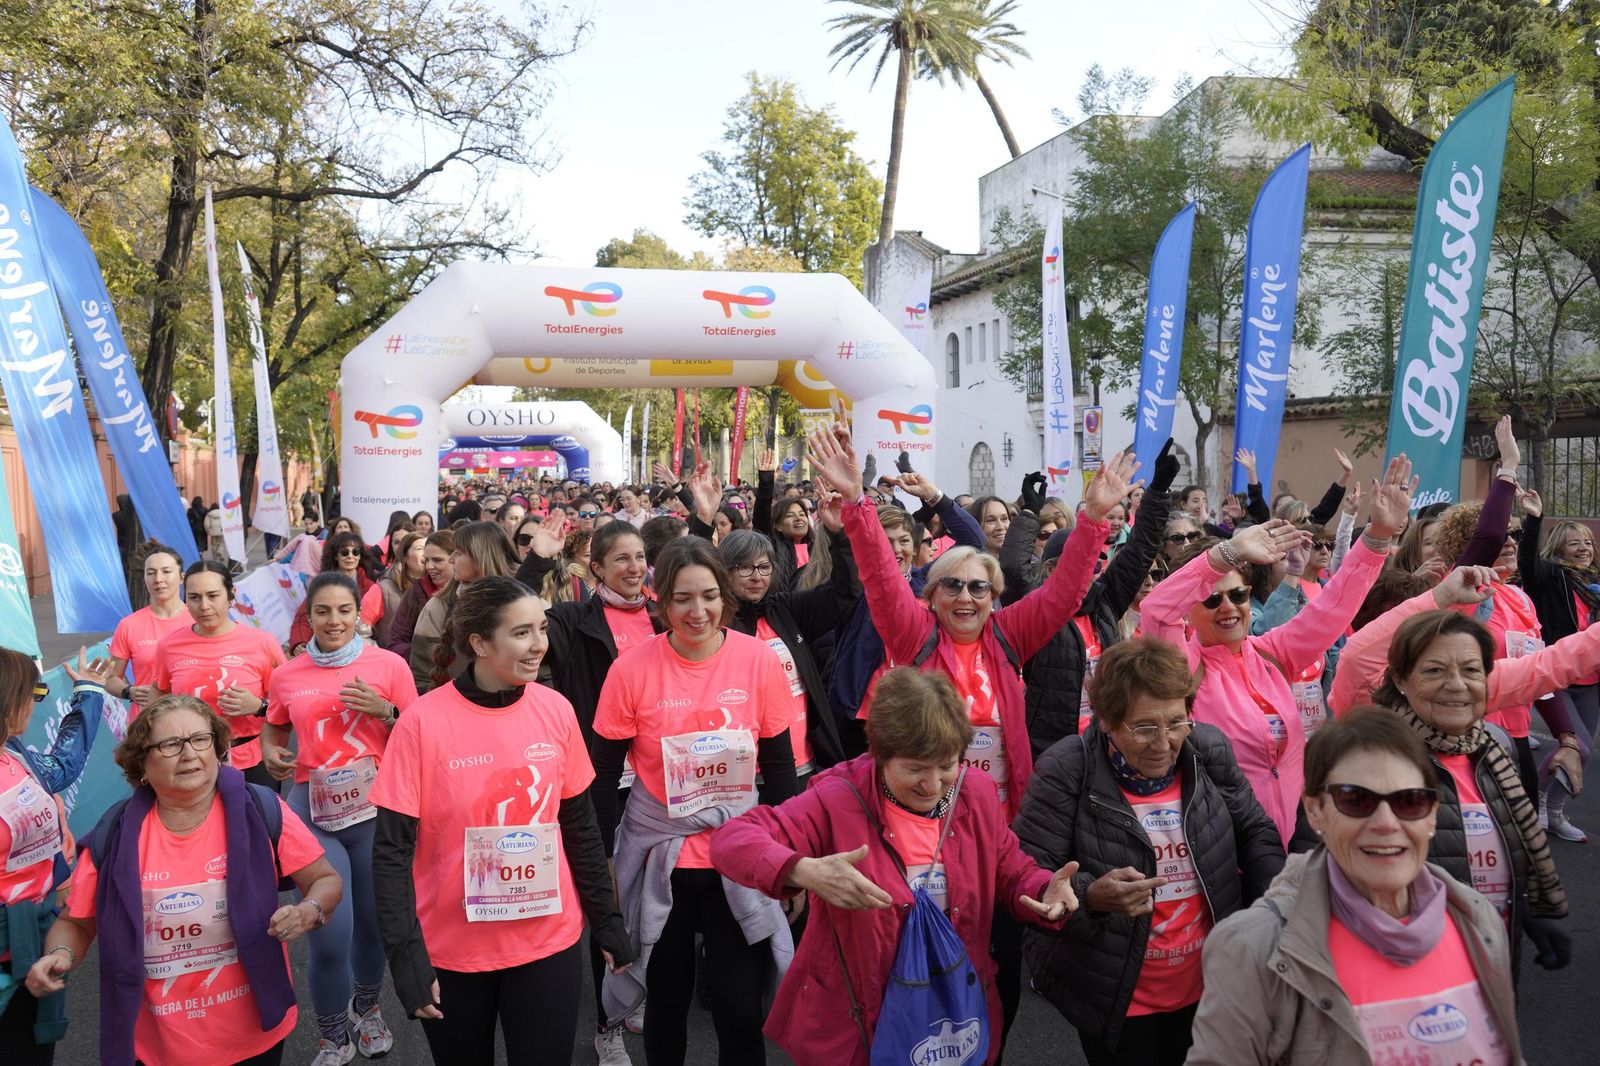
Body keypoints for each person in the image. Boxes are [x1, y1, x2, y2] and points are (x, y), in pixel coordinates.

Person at [809, 421, 1133, 1055]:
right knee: (912, 968)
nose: (966, 596)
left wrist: (1094, 518)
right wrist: (856, 507)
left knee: (996, 972)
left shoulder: (1011, 637)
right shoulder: (912, 637)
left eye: (979, 586)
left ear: (995, 597)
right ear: (929, 598)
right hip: (913, 830)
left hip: (995, 831)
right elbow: (878, 576)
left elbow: (1065, 590)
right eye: (951, 585)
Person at [709, 668, 1082, 1066]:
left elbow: (1010, 868)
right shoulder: (836, 798)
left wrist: (1044, 889)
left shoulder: (974, 792)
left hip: (954, 1008)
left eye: (946, 765)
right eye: (915, 768)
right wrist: (803, 871)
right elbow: (732, 840)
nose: (933, 784)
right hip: (862, 1019)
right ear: (879, 754)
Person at [371, 577, 633, 1065]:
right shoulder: (422, 723)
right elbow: (391, 853)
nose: (539, 645)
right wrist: (406, 956)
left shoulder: (556, 710)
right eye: (522, 633)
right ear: (478, 643)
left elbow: (579, 828)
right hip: (454, 953)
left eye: (541, 629)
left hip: (546, 944)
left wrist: (607, 921)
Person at [1185, 708, 1523, 1064]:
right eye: (1355, 800)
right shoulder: (1252, 947)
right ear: (1315, 811)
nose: (1385, 823)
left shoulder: (1477, 919)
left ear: (1433, 812)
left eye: (1409, 801)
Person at [1012, 638, 1283, 1065]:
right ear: (1106, 721)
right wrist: (1090, 897)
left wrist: (1275, 900)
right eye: (1143, 727)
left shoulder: (1206, 751)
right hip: (1116, 996)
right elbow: (1028, 875)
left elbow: (1255, 830)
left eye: (1176, 723)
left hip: (1208, 988)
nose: (1163, 742)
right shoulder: (1067, 769)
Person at [28, 695, 341, 1066]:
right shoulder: (113, 834)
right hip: (159, 1045)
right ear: (141, 763)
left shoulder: (261, 810)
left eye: (200, 739)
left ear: (217, 748)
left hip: (253, 1035)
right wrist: (59, 956)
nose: (190, 753)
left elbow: (324, 880)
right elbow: (76, 923)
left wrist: (309, 910)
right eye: (171, 744)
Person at [590, 537, 801, 1066]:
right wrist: (604, 868)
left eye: (709, 596)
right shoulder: (631, 669)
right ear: (661, 599)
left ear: (724, 596)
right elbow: (603, 779)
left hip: (739, 855)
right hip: (662, 856)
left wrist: (790, 860)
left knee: (738, 1011)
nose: (697, 611)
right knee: (667, 1004)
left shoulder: (757, 661)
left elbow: (778, 771)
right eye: (683, 598)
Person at [1135, 456, 1413, 847]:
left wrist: (1379, 535)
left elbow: (1334, 605)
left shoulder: (1269, 652)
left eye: (1238, 594)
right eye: (1212, 601)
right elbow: (1155, 609)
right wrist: (1225, 554)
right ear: (1190, 609)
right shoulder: (1181, 665)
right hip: (1225, 852)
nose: (1229, 606)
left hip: (1294, 844)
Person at [516, 517, 659, 1061]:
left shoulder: (661, 616)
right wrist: (537, 560)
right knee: (607, 901)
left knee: (649, 901)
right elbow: (511, 615)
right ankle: (608, 1024)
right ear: (595, 567)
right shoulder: (574, 620)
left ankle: (634, 991)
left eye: (640, 557)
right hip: (594, 781)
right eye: (620, 558)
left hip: (653, 784)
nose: (634, 567)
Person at [261, 573, 419, 1063]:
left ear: (359, 614)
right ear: (308, 616)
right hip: (313, 813)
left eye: (344, 611)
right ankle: (332, 1034)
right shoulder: (287, 674)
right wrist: (272, 754)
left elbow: (418, 739)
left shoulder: (389, 665)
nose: (333, 621)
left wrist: (387, 712)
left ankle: (367, 1010)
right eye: (322, 612)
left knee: (371, 927)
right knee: (330, 932)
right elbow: (274, 727)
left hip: (375, 814)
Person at [999, 439, 1178, 756]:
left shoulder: (1105, 600)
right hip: (1049, 747)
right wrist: (1029, 512)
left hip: (1105, 743)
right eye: (1082, 560)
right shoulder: (1034, 609)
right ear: (1053, 566)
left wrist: (1159, 494)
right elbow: (1012, 567)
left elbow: (1140, 552)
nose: (1091, 569)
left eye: (1097, 562)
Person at [0, 647, 111, 1066]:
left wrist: (88, 692)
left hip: (34, 947)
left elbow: (63, 764)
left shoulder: (15, 752)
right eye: (35, 693)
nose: (36, 702)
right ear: (9, 700)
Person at [153, 560, 287, 787]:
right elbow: (158, 693)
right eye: (194, 597)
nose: (204, 606)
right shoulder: (168, 646)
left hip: (252, 760)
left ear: (231, 595)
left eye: (213, 595)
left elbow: (288, 702)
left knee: (259, 822)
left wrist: (258, 706)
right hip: (191, 761)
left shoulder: (262, 643)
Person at [1517, 490, 1600, 841]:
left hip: (1591, 683)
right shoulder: (1550, 578)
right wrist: (1534, 522)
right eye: (1574, 543)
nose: (1584, 548)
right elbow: (1529, 566)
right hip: (1557, 678)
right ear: (1558, 549)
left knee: (1581, 754)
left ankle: (1554, 811)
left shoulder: (1594, 588)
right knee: (1579, 746)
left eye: (1588, 542)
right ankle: (1531, 797)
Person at [409, 522, 519, 693]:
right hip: (452, 711)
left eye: (458, 552)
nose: (451, 558)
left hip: (515, 711)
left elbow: (543, 671)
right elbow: (422, 672)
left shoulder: (527, 603)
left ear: (479, 557)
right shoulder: (440, 605)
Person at [107, 543, 192, 718]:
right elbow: (111, 679)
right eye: (151, 573)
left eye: (166, 571)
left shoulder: (199, 619)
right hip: (147, 723)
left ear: (182, 577)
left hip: (193, 720)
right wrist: (128, 691)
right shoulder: (129, 625)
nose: (158, 579)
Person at [288, 532, 380, 656]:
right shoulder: (322, 584)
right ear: (336, 556)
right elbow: (304, 615)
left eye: (355, 552)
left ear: (359, 556)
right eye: (344, 552)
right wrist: (300, 642)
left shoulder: (370, 587)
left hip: (361, 649)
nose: (350, 556)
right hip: (327, 647)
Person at [383, 529, 454, 666]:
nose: (429, 567)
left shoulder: (473, 593)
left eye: (437, 560)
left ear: (455, 558)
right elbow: (395, 645)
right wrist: (427, 652)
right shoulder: (416, 593)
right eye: (426, 560)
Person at [364, 531, 425, 648]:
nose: (426, 554)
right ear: (405, 556)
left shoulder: (438, 587)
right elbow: (360, 633)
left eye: (428, 548)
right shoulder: (382, 589)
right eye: (419, 548)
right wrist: (382, 657)